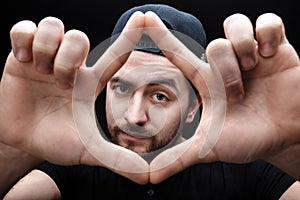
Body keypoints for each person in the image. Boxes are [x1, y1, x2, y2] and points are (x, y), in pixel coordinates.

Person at [1, 3, 300, 199]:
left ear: (195, 106)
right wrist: (11, 150)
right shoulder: (69, 164)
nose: (134, 116)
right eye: (120, 89)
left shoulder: (248, 167)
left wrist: (293, 151)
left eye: (159, 96)